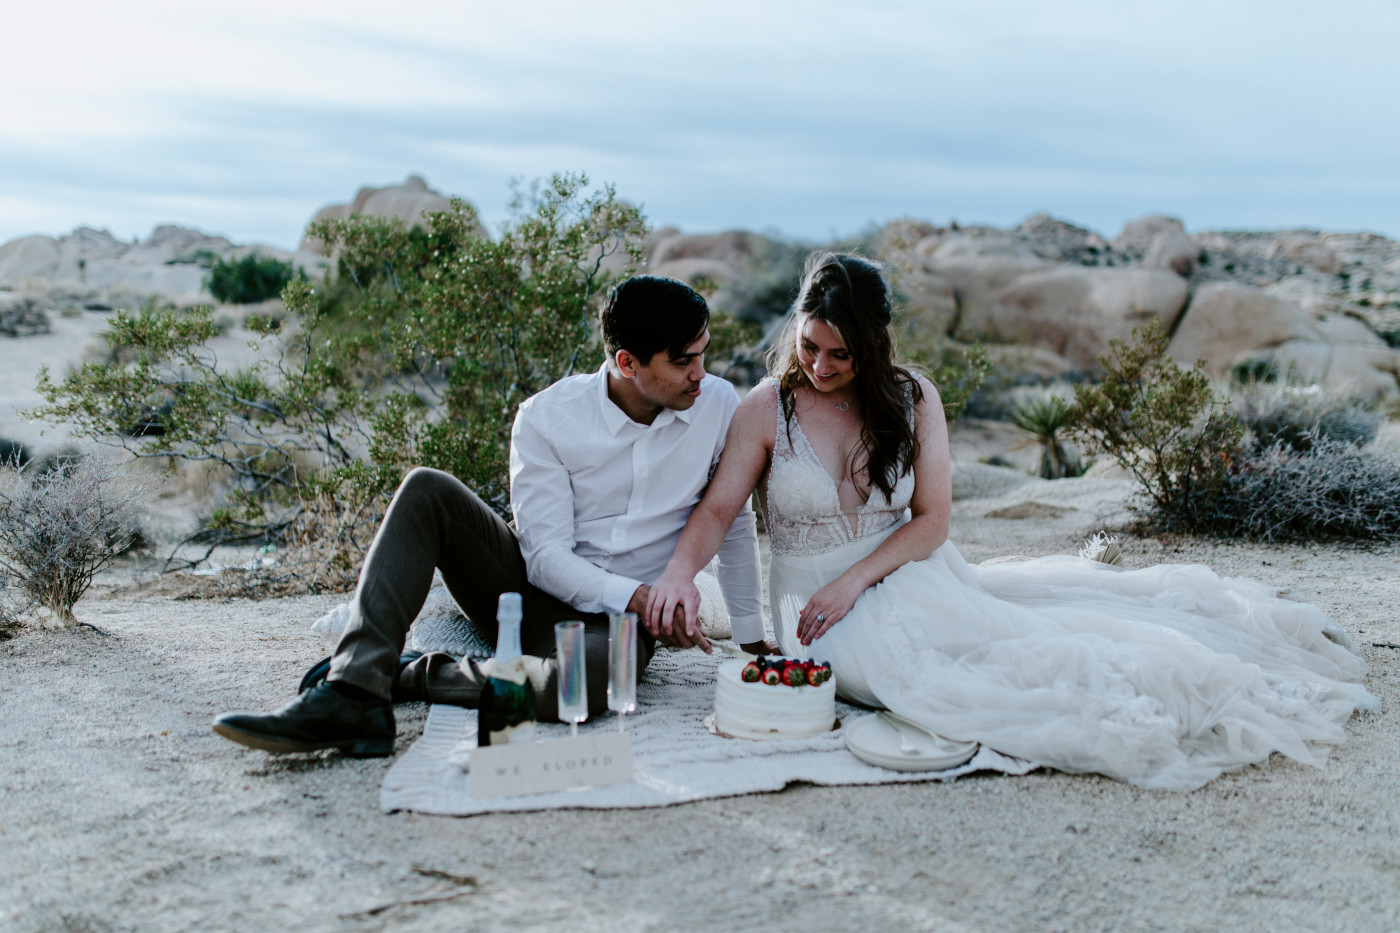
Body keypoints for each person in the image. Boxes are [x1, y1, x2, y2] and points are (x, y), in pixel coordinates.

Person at [647, 251, 1376, 791]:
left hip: (908, 568)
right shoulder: (763, 408)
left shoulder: (911, 396)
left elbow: (932, 520)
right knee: (912, 677)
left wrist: (859, 579)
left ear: (873, 344)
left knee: (1021, 660)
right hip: (810, 602)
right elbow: (718, 508)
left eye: (842, 352)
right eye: (810, 345)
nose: (823, 364)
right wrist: (683, 570)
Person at [213, 275, 768, 757]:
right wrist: (639, 596)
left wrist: (750, 637)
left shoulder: (718, 407)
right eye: (683, 361)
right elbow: (546, 558)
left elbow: (733, 520)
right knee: (427, 488)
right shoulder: (547, 418)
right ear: (626, 362)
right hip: (523, 587)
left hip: (617, 622)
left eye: (704, 353)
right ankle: (353, 691)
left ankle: (407, 672)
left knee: (582, 688)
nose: (702, 373)